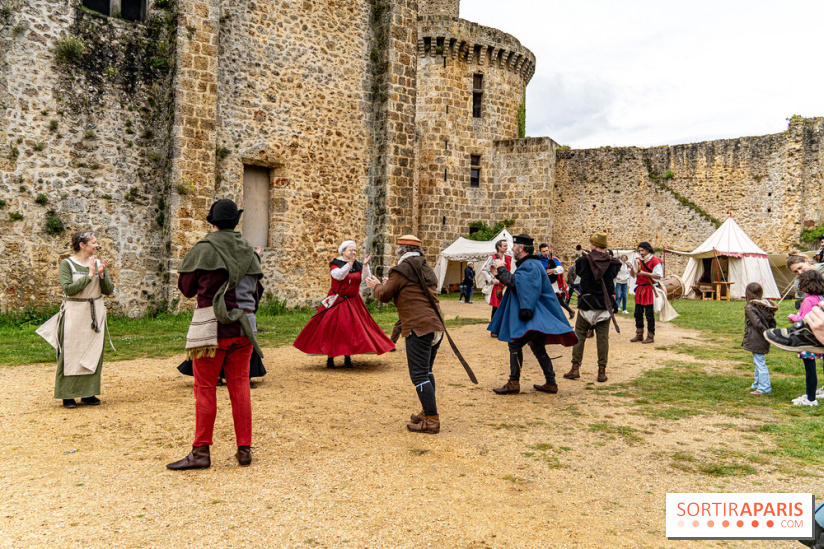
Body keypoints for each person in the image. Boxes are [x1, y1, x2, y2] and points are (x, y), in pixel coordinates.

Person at [167, 199, 264, 470]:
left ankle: (200, 452)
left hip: (212, 328)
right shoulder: (249, 251)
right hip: (245, 327)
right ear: (236, 222)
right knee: (240, 386)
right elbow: (257, 291)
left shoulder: (204, 249)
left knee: (205, 388)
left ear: (212, 222)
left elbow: (186, 288)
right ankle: (244, 450)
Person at [367, 235, 445, 434]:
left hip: (418, 326)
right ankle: (427, 413)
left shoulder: (402, 269)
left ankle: (432, 420)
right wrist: (389, 283)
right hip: (435, 324)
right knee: (427, 371)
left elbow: (384, 295)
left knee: (419, 374)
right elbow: (410, 291)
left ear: (401, 251)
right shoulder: (425, 267)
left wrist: (377, 285)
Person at [488, 234, 578, 395]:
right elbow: (518, 281)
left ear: (521, 248)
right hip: (538, 316)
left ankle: (514, 383)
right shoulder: (530, 264)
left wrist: (501, 268)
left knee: (515, 344)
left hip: (536, 315)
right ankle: (551, 383)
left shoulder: (530, 265)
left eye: (515, 246)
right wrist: (499, 274)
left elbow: (515, 283)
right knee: (537, 347)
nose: (512, 249)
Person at [40, 231, 114, 409]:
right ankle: (68, 395)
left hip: (94, 314)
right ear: (82, 245)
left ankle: (88, 393)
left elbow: (108, 290)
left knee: (92, 352)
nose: (97, 245)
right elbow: (69, 289)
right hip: (74, 313)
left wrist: (101, 275)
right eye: (94, 242)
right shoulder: (67, 264)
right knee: (71, 353)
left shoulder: (98, 263)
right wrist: (89, 276)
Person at [293, 241, 394, 367]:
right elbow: (339, 276)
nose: (353, 252)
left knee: (351, 330)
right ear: (343, 252)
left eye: (355, 250)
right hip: (337, 300)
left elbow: (364, 278)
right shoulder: (336, 264)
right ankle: (330, 358)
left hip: (353, 301)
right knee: (332, 329)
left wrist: (365, 265)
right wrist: (349, 264)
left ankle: (348, 357)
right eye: (350, 250)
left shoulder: (357, 265)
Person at [564, 232, 621, 382]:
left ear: (593, 245)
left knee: (580, 336)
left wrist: (587, 257)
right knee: (602, 339)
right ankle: (601, 372)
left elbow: (579, 272)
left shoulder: (583, 260)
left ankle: (575, 368)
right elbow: (614, 271)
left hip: (587, 304)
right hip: (604, 305)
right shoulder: (613, 263)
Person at [787, 270, 824, 406]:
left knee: (810, 370)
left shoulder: (808, 300)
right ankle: (811, 395)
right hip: (819, 338)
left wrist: (793, 317)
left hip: (807, 339)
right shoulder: (820, 298)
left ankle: (810, 398)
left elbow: (805, 320)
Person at [742, 283, 776, 395]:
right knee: (757, 362)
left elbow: (756, 323)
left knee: (760, 363)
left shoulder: (750, 307)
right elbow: (773, 323)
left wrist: (765, 334)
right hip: (763, 337)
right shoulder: (766, 306)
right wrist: (769, 334)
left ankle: (764, 388)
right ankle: (757, 384)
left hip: (756, 337)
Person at [629, 241, 662, 344]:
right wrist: (631, 269)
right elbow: (634, 275)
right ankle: (639, 334)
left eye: (642, 250)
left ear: (648, 249)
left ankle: (650, 336)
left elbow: (658, 276)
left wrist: (644, 273)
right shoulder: (637, 260)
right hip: (640, 289)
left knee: (649, 314)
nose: (641, 253)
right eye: (640, 251)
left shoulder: (655, 261)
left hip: (649, 288)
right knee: (637, 313)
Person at [481, 239, 512, 337]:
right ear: (499, 247)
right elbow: (484, 270)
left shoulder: (509, 258)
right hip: (497, 287)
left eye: (506, 245)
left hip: (506, 286)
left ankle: (503, 329)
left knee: (506, 308)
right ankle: (494, 330)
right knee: (496, 308)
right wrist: (492, 279)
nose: (506, 247)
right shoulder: (492, 258)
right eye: (504, 246)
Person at [538, 243, 575, 320]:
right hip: (542, 283)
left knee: (557, 302)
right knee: (555, 302)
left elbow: (561, 269)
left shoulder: (553, 259)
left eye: (546, 250)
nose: (545, 253)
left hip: (553, 284)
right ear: (540, 252)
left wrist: (553, 270)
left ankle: (561, 318)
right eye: (543, 251)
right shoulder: (537, 258)